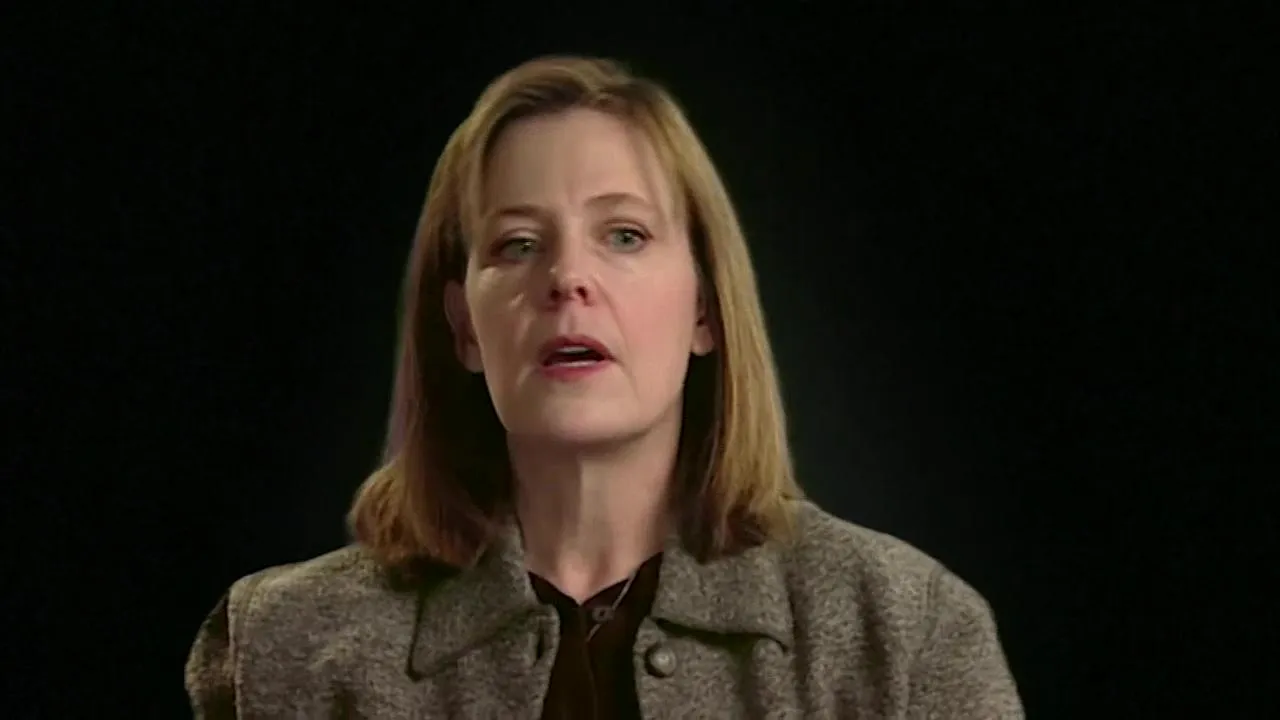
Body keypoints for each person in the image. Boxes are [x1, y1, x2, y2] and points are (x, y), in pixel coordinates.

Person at [185, 55, 1023, 718]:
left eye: (624, 235)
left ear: (705, 309)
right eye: (518, 245)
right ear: (464, 328)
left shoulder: (907, 634)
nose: (567, 279)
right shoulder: (285, 646)